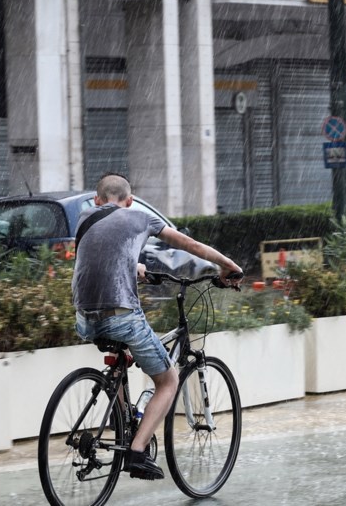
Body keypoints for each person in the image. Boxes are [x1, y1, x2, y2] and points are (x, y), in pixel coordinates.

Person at [72, 172, 243, 481]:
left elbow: (98, 256)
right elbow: (188, 244)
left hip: (84, 318)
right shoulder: (140, 216)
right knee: (168, 380)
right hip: (120, 314)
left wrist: (133, 265)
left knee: (121, 357)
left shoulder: (85, 217)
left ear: (97, 201)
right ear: (130, 201)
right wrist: (228, 266)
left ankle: (122, 422)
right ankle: (136, 452)